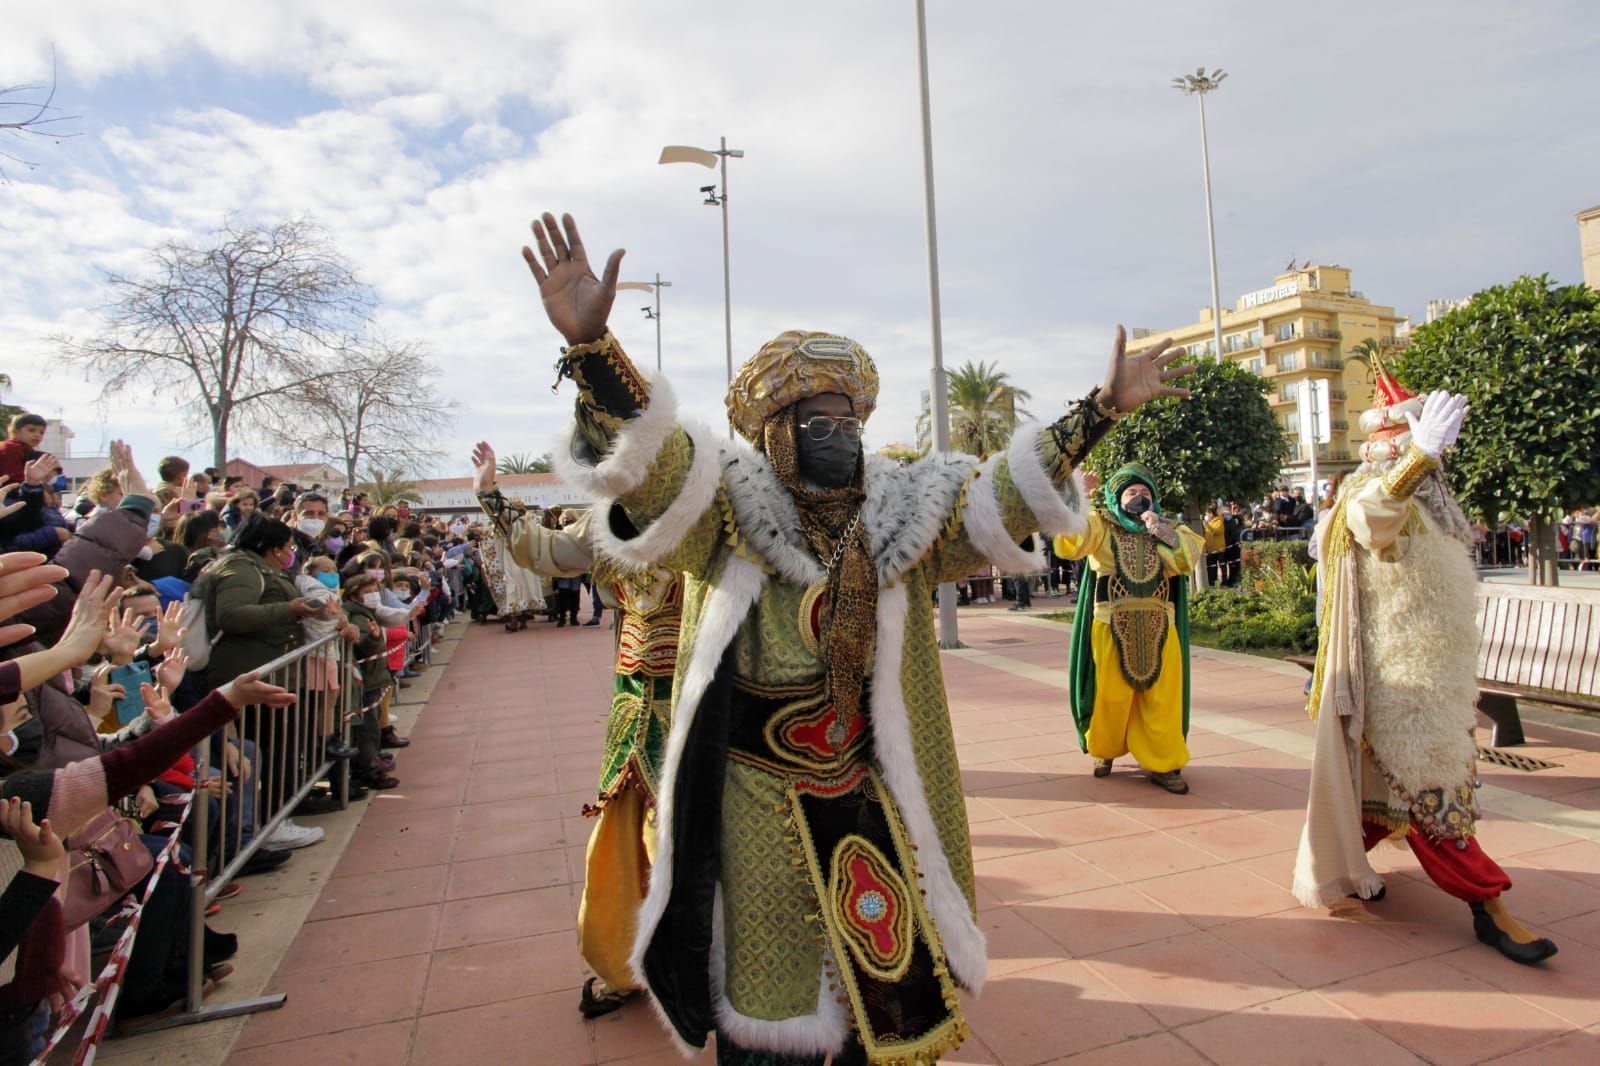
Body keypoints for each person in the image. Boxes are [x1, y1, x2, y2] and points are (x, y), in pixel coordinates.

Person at [522, 211, 1191, 1065]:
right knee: (767, 1013)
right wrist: (596, 353)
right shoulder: (725, 513)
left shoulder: (905, 511)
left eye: (850, 419)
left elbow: (1004, 499)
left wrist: (1098, 411)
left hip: (870, 791)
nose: (842, 434)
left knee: (887, 1000)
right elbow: (650, 476)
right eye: (819, 419)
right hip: (754, 796)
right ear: (775, 430)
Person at [1292, 365, 1557, 965]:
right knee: (1432, 795)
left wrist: (1427, 462)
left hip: (1433, 673)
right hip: (1396, 678)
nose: (1428, 451)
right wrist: (1420, 457)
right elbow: (1372, 523)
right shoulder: (1369, 490)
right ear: (1383, 444)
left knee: (1377, 787)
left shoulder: (1430, 498)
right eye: (1408, 439)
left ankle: (1338, 865)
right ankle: (1489, 904)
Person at [474, 440, 682, 1017]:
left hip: (703, 693)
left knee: (698, 823)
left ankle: (699, 961)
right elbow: (544, 550)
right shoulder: (604, 522)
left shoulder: (708, 514)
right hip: (636, 694)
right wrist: (490, 493)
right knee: (631, 822)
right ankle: (632, 960)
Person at [1055, 464, 1204, 794]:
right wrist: (1077, 497)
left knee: (1161, 699)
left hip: (1160, 628)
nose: (1139, 497)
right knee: (1111, 697)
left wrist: (1158, 528)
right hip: (1110, 625)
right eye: (1131, 492)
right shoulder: (1101, 525)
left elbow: (1184, 561)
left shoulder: (1170, 529)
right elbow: (1070, 543)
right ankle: (1105, 751)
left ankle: (1163, 764)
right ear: (1116, 497)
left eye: (1145, 493)